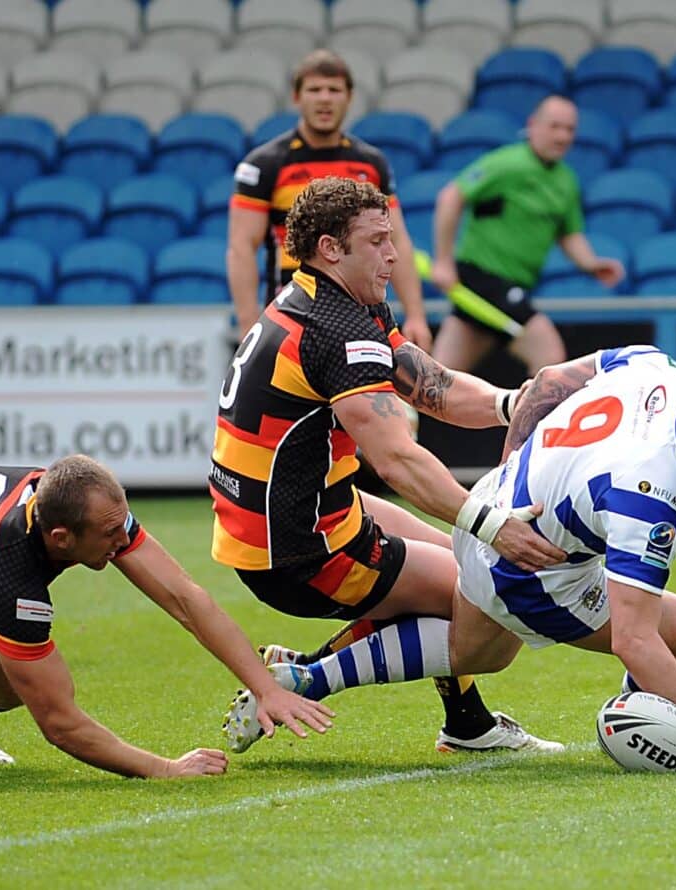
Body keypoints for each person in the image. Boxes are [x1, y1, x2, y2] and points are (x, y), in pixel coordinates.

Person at [230, 346, 676, 771]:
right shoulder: (650, 495)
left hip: (490, 510)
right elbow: (635, 639)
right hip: (534, 570)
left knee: (472, 650)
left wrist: (508, 478)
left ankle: (306, 677)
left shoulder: (658, 368)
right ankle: (631, 723)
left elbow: (547, 382)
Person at [210, 176, 569, 756]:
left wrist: (516, 402)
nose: (395, 254)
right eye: (378, 241)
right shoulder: (339, 330)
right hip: (299, 550)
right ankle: (306, 676)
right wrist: (494, 524)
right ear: (331, 248)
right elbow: (398, 460)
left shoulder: (328, 300)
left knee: (463, 568)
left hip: (285, 518)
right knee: (489, 602)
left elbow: (434, 386)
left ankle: (467, 724)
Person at [0, 455, 332, 783]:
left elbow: (184, 597)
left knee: (4, 686)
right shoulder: (8, 575)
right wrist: (165, 768)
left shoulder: (76, 501)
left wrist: (265, 688)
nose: (122, 542)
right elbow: (60, 723)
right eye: (109, 535)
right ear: (61, 538)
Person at [227, 49, 432, 351]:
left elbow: (397, 239)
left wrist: (415, 314)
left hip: (361, 315)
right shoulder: (265, 165)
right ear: (297, 97)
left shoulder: (371, 163)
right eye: (314, 90)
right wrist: (249, 326)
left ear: (349, 97)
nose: (325, 99)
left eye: (334, 90)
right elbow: (241, 248)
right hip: (293, 315)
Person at [428, 96, 624, 377]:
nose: (562, 136)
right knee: (549, 354)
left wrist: (591, 264)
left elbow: (569, 233)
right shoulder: (507, 163)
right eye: (555, 126)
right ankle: (539, 423)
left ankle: (399, 418)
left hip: (514, 286)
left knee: (440, 379)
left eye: (569, 129)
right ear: (533, 125)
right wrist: (444, 261)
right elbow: (451, 196)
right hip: (483, 279)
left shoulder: (566, 180)